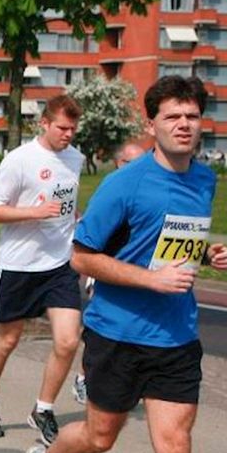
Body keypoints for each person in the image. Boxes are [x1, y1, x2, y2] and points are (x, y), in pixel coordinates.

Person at [22, 77, 227, 453]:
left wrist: (208, 254)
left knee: (176, 447)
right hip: (118, 332)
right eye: (172, 116)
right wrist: (151, 280)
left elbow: (171, 244)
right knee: (101, 436)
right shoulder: (125, 184)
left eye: (192, 116)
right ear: (151, 123)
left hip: (177, 334)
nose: (183, 125)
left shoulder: (204, 178)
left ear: (202, 122)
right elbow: (82, 256)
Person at [0, 94, 85, 446]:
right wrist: (34, 213)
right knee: (7, 339)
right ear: (45, 124)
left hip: (59, 264)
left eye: (73, 129)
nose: (68, 134)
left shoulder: (76, 159)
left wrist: (76, 222)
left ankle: (43, 408)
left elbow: (67, 204)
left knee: (68, 341)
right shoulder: (19, 160)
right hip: (18, 265)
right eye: (62, 128)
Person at [71, 139, 146, 404]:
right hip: (104, 267)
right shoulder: (112, 189)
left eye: (143, 161)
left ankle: (124, 380)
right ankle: (83, 377)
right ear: (118, 162)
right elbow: (90, 237)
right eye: (130, 162)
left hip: (136, 273)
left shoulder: (147, 191)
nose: (138, 167)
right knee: (101, 326)